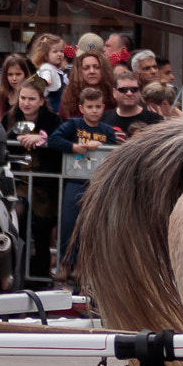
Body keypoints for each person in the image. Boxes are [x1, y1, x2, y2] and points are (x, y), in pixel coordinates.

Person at [47, 86, 116, 287]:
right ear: (82, 108)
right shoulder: (73, 125)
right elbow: (53, 139)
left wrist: (100, 146)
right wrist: (73, 146)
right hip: (74, 181)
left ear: (103, 108)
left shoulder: (107, 131)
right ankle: (65, 263)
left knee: (89, 226)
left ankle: (82, 266)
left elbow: (114, 151)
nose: (94, 111)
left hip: (96, 184)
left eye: (97, 107)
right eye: (90, 107)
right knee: (69, 223)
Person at [4, 75, 61, 281]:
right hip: (19, 182)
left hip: (44, 186)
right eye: (23, 98)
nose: (26, 103)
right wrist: (14, 137)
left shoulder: (52, 120)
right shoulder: (12, 119)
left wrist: (42, 138)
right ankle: (16, 275)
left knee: (42, 233)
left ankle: (41, 279)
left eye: (31, 99)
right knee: (18, 220)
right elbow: (4, 139)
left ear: (41, 101)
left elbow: (60, 138)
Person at [58, 47, 115, 120]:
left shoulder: (112, 94)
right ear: (80, 71)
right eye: (86, 68)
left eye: (96, 67)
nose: (92, 71)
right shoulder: (69, 96)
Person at [108, 71, 163, 138]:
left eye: (134, 89)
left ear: (140, 91)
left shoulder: (156, 120)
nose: (129, 93)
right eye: (123, 89)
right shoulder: (103, 119)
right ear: (114, 92)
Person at [28, 34, 67, 112]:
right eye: (55, 52)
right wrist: (45, 81)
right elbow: (45, 76)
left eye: (61, 51)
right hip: (52, 109)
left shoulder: (58, 70)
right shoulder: (47, 68)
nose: (59, 54)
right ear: (45, 55)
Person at [0, 52, 34, 119]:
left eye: (18, 74)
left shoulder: (32, 93)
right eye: (10, 74)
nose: (14, 78)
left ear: (25, 74)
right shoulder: (3, 94)